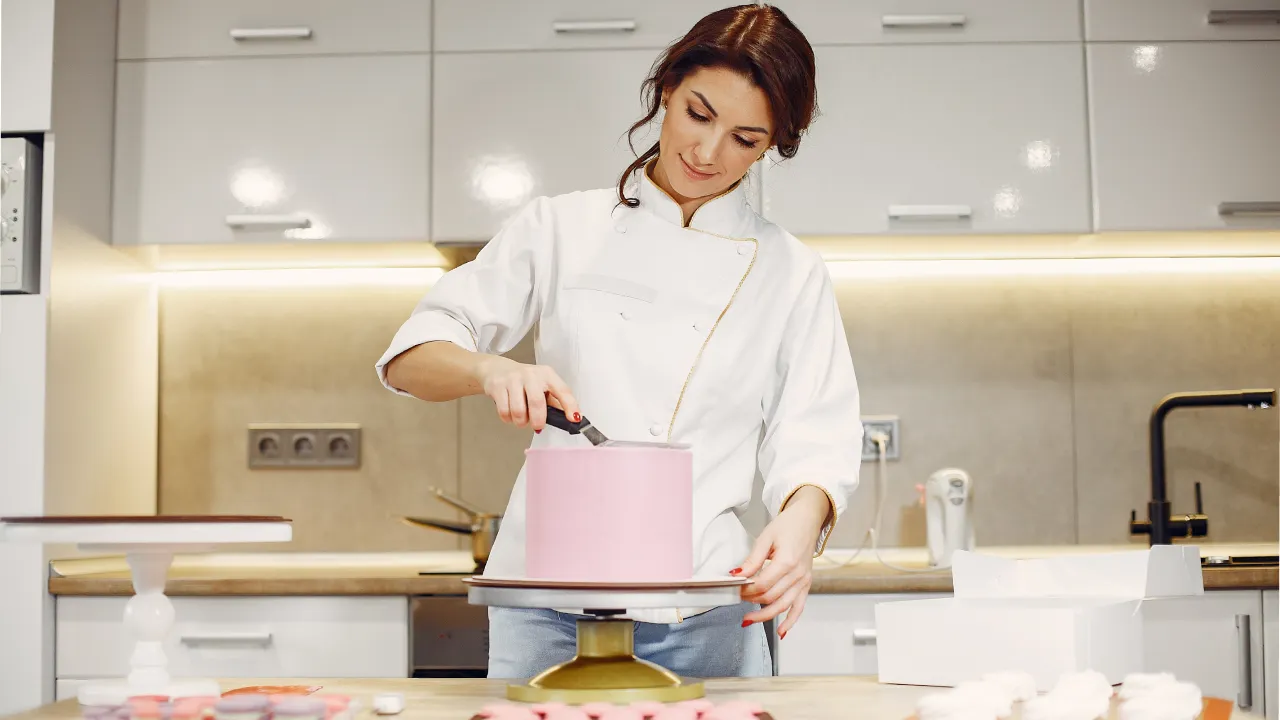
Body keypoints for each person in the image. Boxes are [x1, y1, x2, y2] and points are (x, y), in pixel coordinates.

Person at [376, 4, 862, 679]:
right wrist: (491, 370)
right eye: (697, 114)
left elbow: (817, 431)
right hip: (547, 600)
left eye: (745, 139)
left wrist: (801, 525)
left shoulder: (791, 271)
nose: (708, 152)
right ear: (667, 88)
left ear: (772, 145)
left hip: (707, 595)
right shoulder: (560, 228)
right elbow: (411, 359)